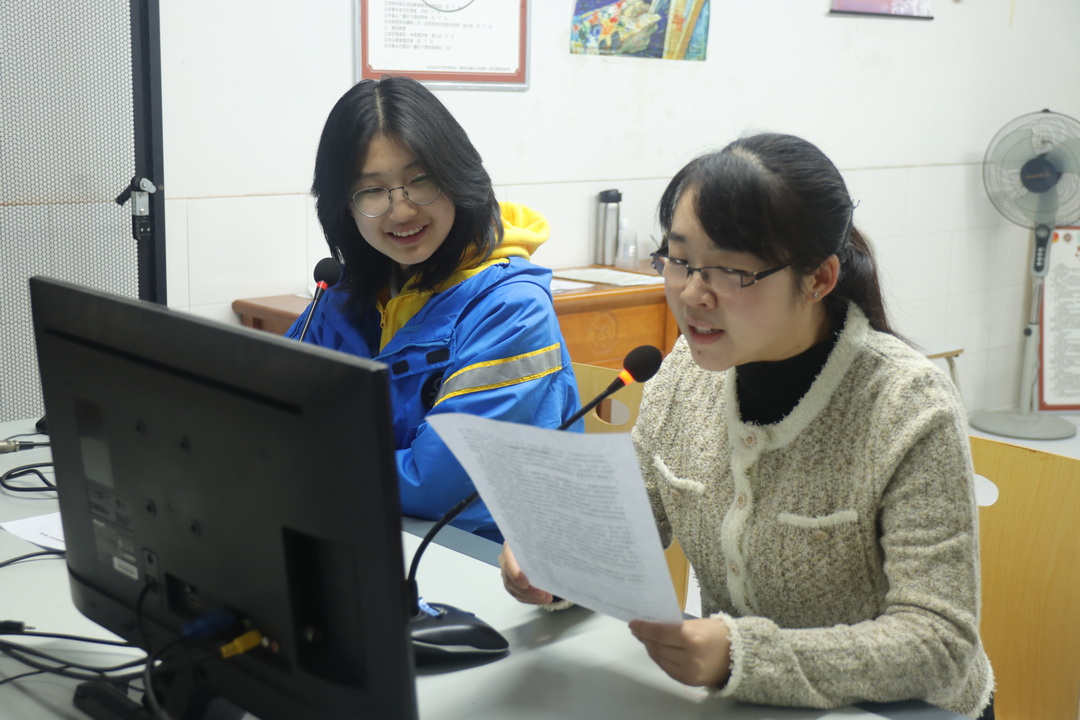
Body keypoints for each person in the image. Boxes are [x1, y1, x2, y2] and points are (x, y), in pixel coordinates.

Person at [500, 133, 994, 718]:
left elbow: (940, 642)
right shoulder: (682, 374)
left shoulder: (907, 404)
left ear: (819, 279)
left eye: (731, 271)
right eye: (678, 259)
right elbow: (626, 526)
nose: (692, 293)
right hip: (747, 704)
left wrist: (742, 657)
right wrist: (555, 561)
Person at [288, 76, 580, 543]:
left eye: (419, 179)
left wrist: (303, 460)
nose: (401, 211)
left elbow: (433, 485)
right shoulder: (346, 294)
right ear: (343, 206)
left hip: (492, 559)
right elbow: (271, 413)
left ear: (457, 175)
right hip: (372, 533)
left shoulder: (513, 310)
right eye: (371, 190)